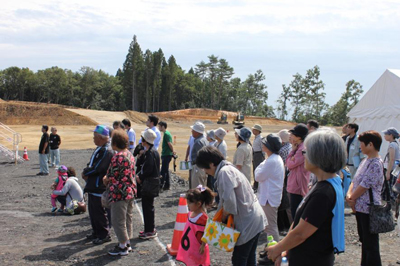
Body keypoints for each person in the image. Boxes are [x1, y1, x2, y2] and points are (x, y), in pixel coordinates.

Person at [267, 128, 346, 266]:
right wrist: (285, 249)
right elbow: (299, 221)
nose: (303, 155)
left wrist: (277, 249)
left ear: (319, 155)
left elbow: (301, 233)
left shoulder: (323, 193)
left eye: (305, 152)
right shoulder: (327, 183)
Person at [196, 146, 267, 266]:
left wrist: (220, 220)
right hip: (255, 217)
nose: (205, 171)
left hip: (247, 222)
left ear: (211, 164)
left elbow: (230, 205)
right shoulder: (228, 168)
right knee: (249, 257)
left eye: (204, 167)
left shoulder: (224, 173)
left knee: (239, 260)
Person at [346, 130, 384, 266]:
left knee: (371, 244)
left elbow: (365, 185)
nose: (359, 146)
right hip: (360, 207)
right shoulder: (365, 161)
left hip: (369, 208)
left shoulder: (376, 163)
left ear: (370, 144)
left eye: (361, 144)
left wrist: (351, 198)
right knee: (365, 241)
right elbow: (355, 180)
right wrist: (350, 195)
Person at [103, 130, 136, 256]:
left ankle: (122, 246)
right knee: (128, 218)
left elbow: (110, 175)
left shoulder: (117, 157)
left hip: (119, 193)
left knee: (118, 220)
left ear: (115, 143)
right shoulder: (129, 154)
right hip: (130, 191)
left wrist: (105, 180)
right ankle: (127, 242)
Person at [82, 125, 114, 245]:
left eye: (94, 136)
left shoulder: (106, 150)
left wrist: (86, 172)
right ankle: (96, 232)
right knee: (93, 211)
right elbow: (92, 163)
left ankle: (104, 234)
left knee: (99, 212)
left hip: (98, 185)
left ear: (100, 137)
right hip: (93, 185)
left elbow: (98, 167)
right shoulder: (101, 148)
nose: (93, 139)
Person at [255, 134, 284, 252]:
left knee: (270, 227)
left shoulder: (271, 161)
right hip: (270, 196)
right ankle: (270, 248)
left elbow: (258, 176)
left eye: (265, 143)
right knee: (269, 226)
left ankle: (275, 251)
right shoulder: (273, 159)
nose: (262, 145)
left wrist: (259, 167)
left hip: (269, 198)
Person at [176, 185, 215, 266]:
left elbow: (207, 232)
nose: (188, 204)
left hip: (198, 249)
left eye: (190, 202)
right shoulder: (191, 214)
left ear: (198, 204)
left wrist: (203, 245)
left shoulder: (203, 218)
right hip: (191, 248)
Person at [136, 129, 160, 239]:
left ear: (145, 140)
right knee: (148, 206)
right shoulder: (153, 151)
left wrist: (140, 177)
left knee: (147, 207)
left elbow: (148, 169)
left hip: (149, 184)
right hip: (153, 183)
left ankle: (149, 230)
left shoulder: (150, 153)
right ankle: (149, 229)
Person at [286, 123, 310, 219]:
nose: (291, 136)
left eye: (293, 134)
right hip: (296, 183)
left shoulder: (301, 149)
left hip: (297, 185)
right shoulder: (299, 147)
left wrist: (292, 152)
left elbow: (290, 164)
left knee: (296, 212)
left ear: (299, 137)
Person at [277, 129, 293, 235]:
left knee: (283, 200)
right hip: (288, 176)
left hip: (283, 177)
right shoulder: (290, 147)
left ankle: (283, 225)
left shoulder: (282, 150)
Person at [382, 127, 400, 201]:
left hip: (392, 169)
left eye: (386, 134)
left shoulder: (392, 145)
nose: (384, 136)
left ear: (391, 135)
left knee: (389, 187)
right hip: (396, 169)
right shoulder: (395, 144)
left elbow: (391, 159)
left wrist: (388, 173)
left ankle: (390, 204)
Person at [190, 122, 208, 189]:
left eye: (193, 130)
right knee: (202, 188)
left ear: (197, 132)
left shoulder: (199, 142)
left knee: (197, 189)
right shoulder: (203, 140)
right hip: (202, 167)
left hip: (198, 167)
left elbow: (201, 157)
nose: (191, 131)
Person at [158, 121, 175, 191]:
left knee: (163, 171)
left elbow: (169, 144)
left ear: (163, 126)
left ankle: (161, 185)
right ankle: (167, 185)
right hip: (166, 154)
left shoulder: (166, 134)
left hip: (167, 154)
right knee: (166, 170)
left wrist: (173, 151)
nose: (158, 127)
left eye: (159, 126)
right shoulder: (165, 134)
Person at [252, 124, 264, 191]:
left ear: (258, 131)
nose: (253, 131)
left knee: (257, 170)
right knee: (254, 170)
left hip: (258, 154)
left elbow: (262, 148)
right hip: (255, 154)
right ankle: (255, 185)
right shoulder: (256, 138)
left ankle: (257, 186)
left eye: (254, 129)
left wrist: (262, 157)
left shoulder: (260, 138)